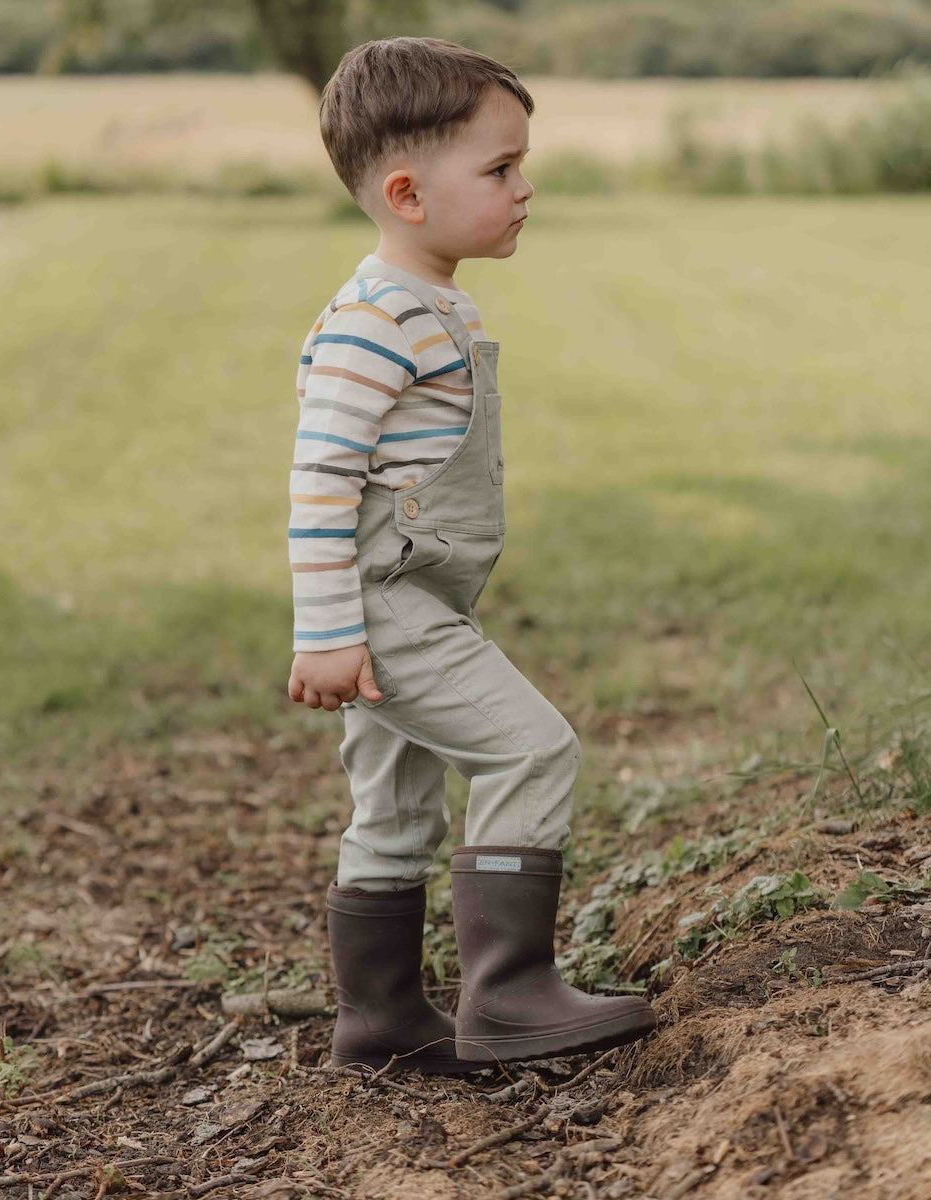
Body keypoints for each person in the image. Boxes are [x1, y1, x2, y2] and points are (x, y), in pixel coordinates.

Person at [286, 36, 656, 1072]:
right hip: (387, 604)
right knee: (530, 747)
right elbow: (320, 485)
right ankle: (508, 995)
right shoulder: (375, 323)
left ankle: (382, 1021)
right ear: (407, 194)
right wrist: (328, 635)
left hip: (420, 602)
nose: (525, 187)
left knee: (395, 803)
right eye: (500, 170)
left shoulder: (432, 301)